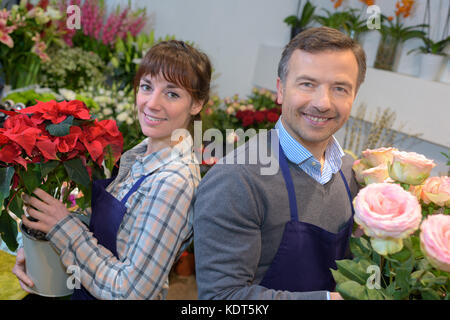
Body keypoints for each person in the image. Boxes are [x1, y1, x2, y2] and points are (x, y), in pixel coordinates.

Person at [12, 40, 212, 300]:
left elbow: (129, 291)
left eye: (172, 94)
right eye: (146, 87)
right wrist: (37, 248)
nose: (152, 103)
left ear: (196, 104)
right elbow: (96, 229)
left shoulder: (173, 182)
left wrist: (61, 226)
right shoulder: (139, 158)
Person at [193, 27, 365, 300]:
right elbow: (222, 298)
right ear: (281, 90)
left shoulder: (351, 173)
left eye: (340, 88)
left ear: (354, 96)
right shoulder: (237, 179)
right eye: (307, 84)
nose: (323, 103)